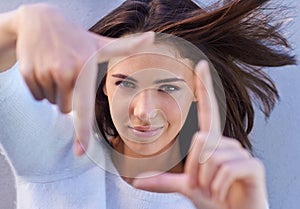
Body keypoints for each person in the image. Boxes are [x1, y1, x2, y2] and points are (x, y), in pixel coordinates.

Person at [0, 0, 296, 209]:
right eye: (125, 83)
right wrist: (18, 25)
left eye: (167, 87)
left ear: (197, 88)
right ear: (103, 81)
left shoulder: (221, 194)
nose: (143, 111)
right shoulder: (56, 150)